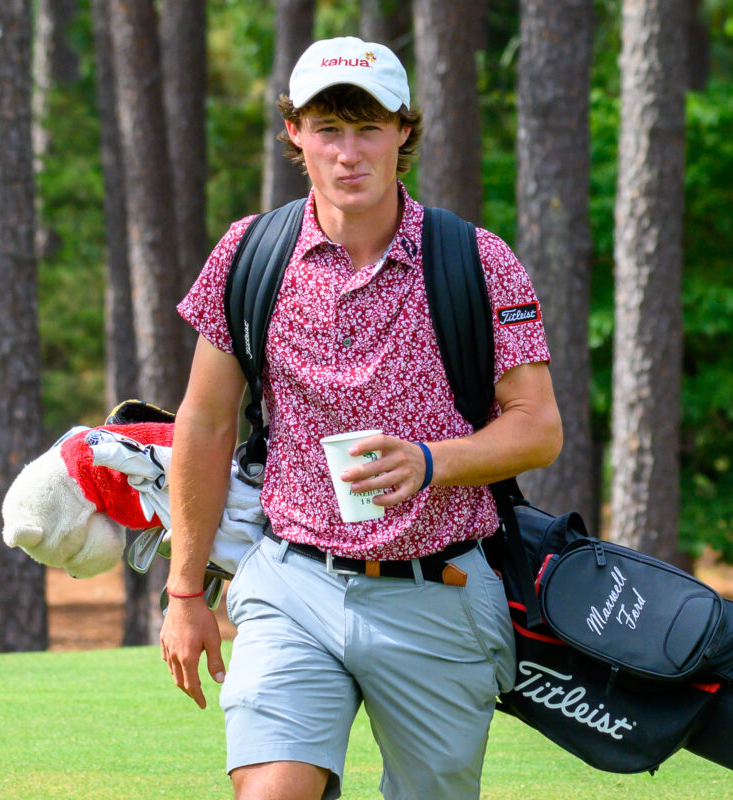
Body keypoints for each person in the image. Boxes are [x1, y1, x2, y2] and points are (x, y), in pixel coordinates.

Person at [161, 36, 563, 800]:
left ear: (404, 130)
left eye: (369, 127)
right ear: (295, 133)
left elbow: (537, 427)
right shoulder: (249, 254)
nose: (350, 153)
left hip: (437, 592)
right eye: (329, 128)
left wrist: (431, 461)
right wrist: (185, 593)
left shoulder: (477, 260)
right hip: (291, 585)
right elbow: (206, 424)